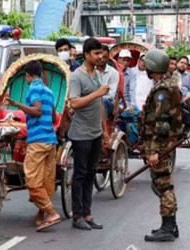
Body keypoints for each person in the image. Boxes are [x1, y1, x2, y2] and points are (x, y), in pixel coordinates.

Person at [4, 60, 61, 232]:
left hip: (38, 141)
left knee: (32, 180)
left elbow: (36, 111)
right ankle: (41, 214)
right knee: (46, 180)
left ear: (28, 75)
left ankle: (51, 213)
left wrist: (18, 105)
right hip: (50, 141)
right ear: (41, 74)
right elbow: (51, 117)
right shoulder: (49, 91)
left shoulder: (33, 88)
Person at [140, 49, 183, 242]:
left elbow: (161, 122)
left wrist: (155, 151)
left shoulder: (163, 91)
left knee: (163, 185)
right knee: (163, 183)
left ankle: (167, 227)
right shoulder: (167, 84)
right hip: (165, 143)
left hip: (161, 144)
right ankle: (171, 225)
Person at [68, 38, 110, 230]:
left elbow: (99, 104)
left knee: (91, 174)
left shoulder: (95, 75)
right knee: (80, 175)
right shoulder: (77, 76)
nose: (100, 57)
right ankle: (77, 217)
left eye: (101, 53)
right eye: (96, 54)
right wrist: (97, 93)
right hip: (80, 134)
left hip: (95, 133)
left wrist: (105, 130)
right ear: (86, 55)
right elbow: (74, 103)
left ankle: (87, 213)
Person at [97, 45, 119, 117]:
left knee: (103, 101)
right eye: (100, 57)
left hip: (108, 102)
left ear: (108, 57)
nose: (102, 59)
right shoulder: (90, 70)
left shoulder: (113, 73)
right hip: (92, 100)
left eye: (104, 57)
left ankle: (102, 126)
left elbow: (111, 95)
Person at [177, 56, 190, 132]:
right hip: (174, 96)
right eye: (181, 62)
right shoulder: (172, 74)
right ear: (177, 63)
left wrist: (183, 100)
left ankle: (187, 126)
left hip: (185, 97)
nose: (183, 65)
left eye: (185, 63)